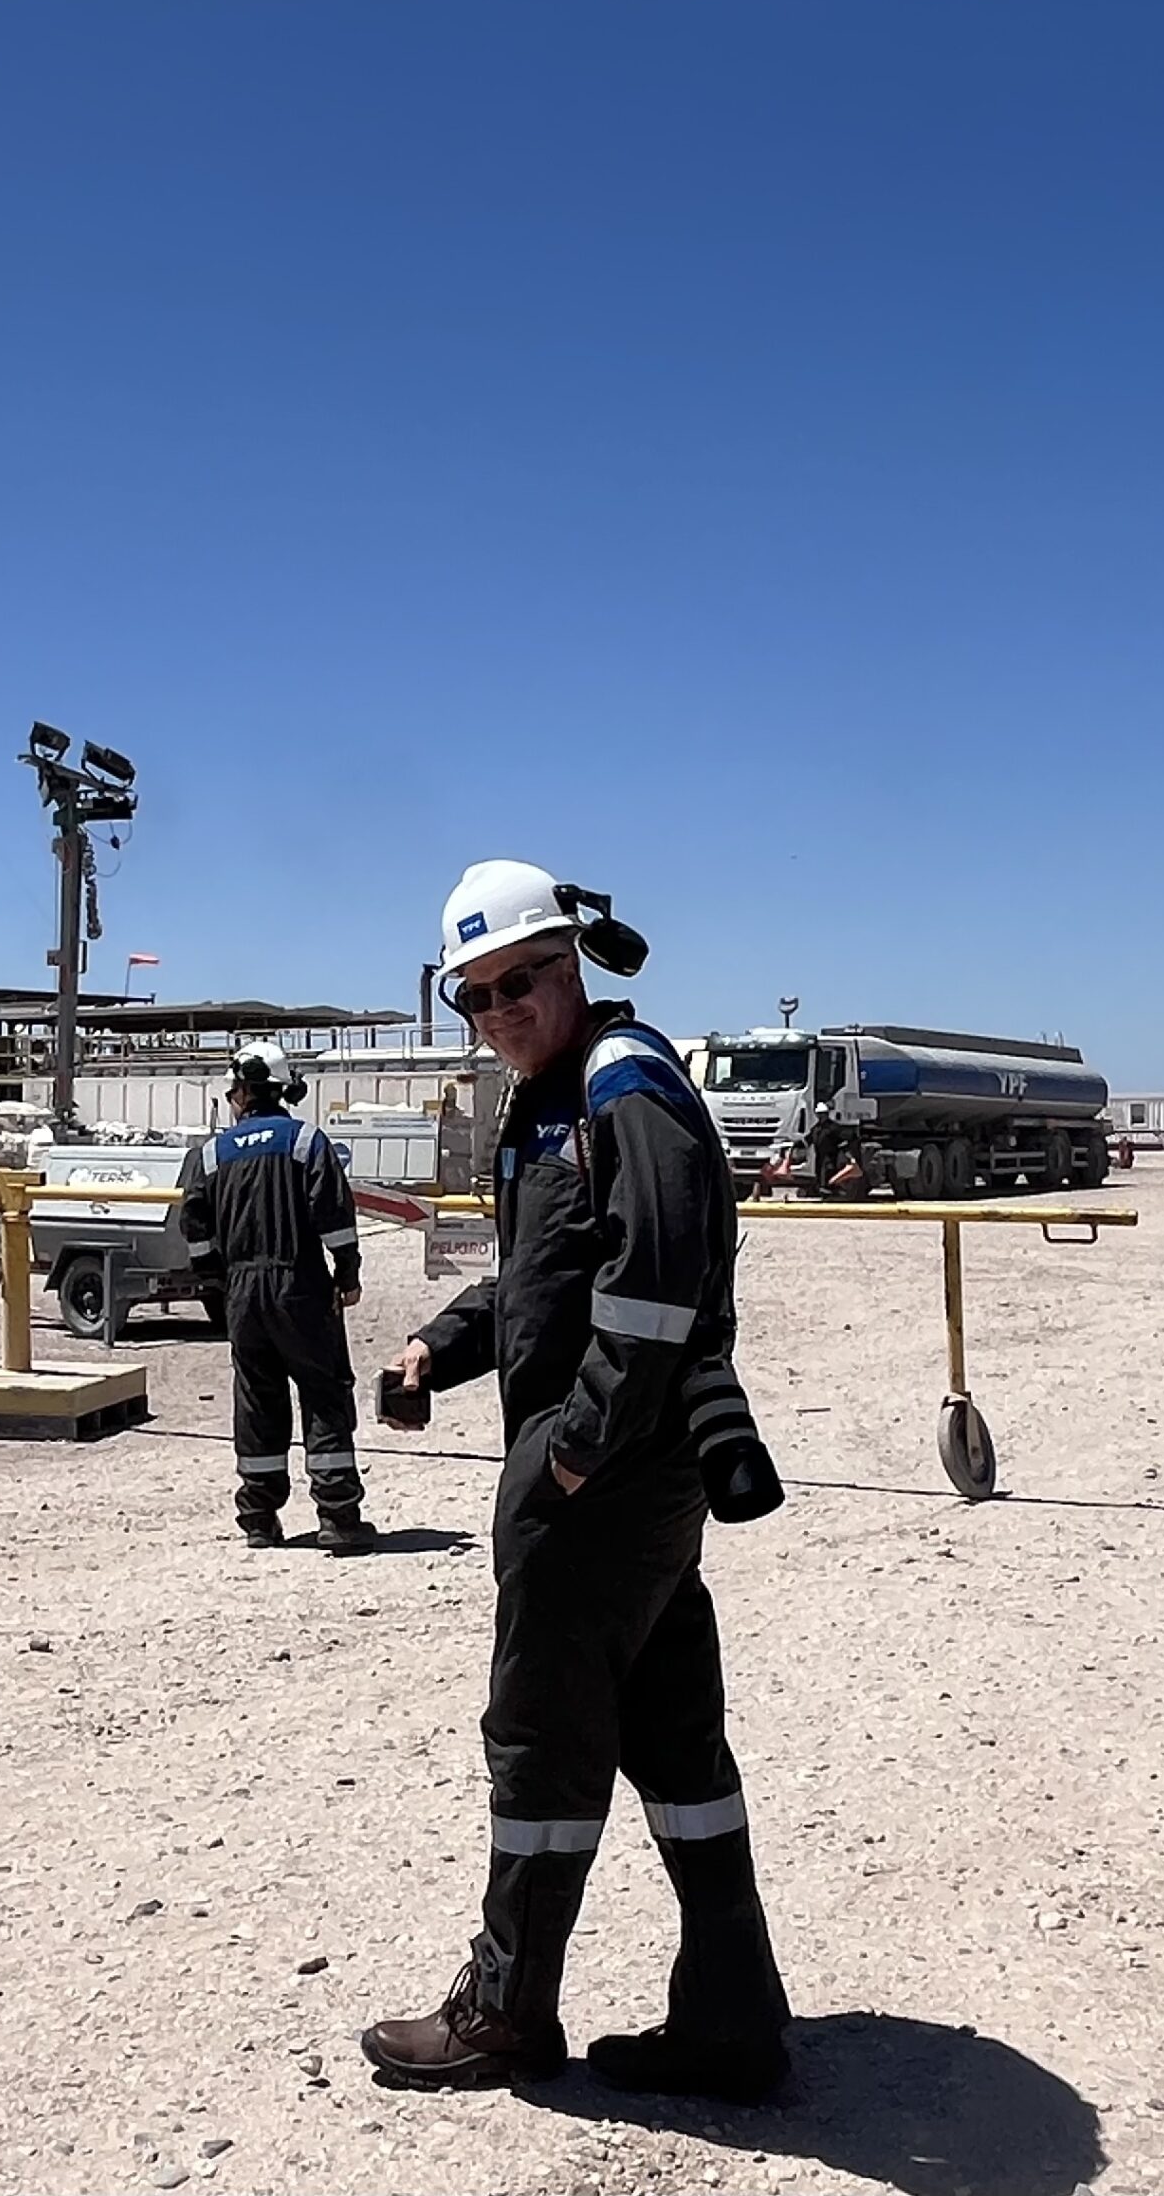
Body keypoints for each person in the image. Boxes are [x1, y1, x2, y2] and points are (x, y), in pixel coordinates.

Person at [359, 860, 790, 2101]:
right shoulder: (552, 1102)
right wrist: (434, 1348)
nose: (500, 1011)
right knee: (674, 1745)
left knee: (538, 1739)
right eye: (475, 995)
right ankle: (729, 2016)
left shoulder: (619, 1082)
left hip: (598, 1482)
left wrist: (574, 1447)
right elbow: (541, 1279)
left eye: (520, 982)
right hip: (631, 1482)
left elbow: (655, 1278)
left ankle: (505, 2011)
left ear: (571, 964)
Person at [176, 1039, 376, 1555]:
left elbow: (194, 1222)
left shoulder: (213, 1153)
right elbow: (334, 1214)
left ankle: (259, 1518)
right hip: (301, 1287)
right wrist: (347, 1273)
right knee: (324, 1391)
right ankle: (338, 1516)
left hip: (241, 1291)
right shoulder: (306, 1141)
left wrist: (215, 1277)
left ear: (242, 1091)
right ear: (282, 1088)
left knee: (257, 1397)